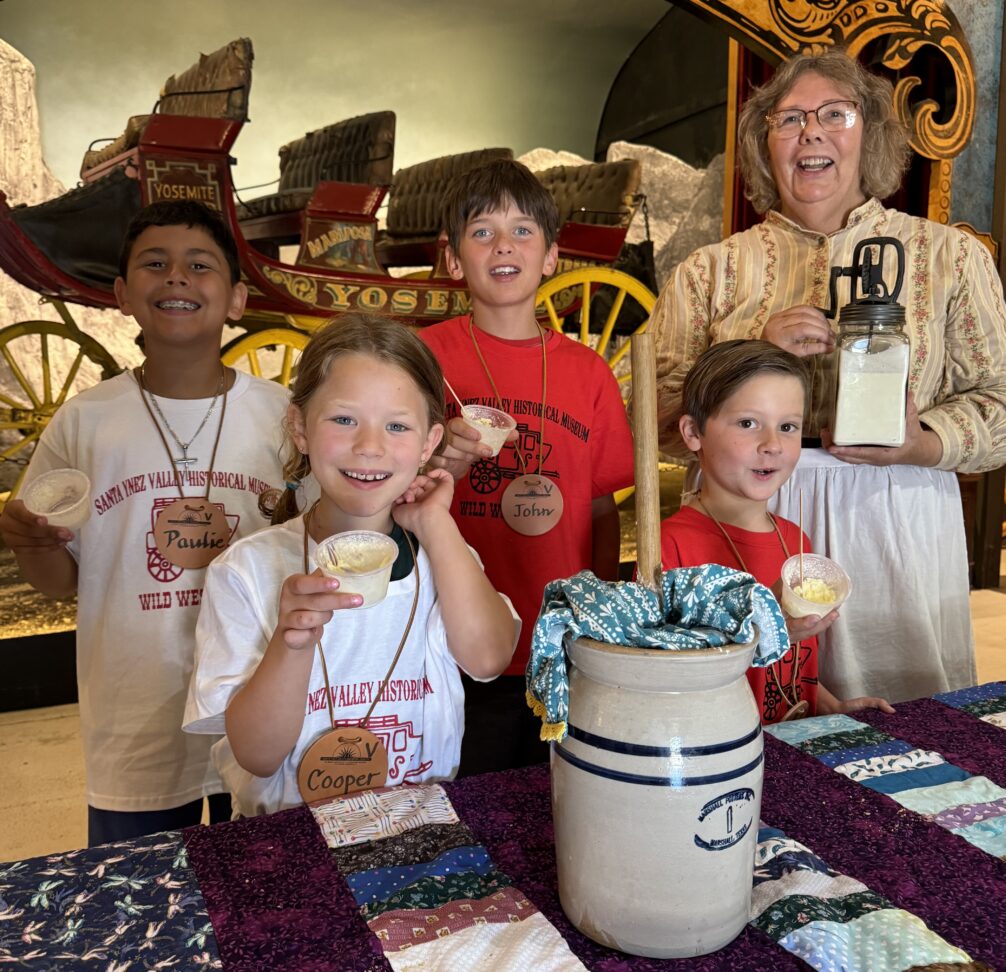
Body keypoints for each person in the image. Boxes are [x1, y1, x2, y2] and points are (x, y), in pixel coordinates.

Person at [649, 49, 1006, 704]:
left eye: (834, 115)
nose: (810, 132)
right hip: (747, 515)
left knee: (899, 718)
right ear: (765, 148)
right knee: (750, 703)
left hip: (896, 516)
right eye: (788, 119)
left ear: (870, 133)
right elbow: (648, 418)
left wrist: (923, 443)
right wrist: (747, 355)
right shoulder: (707, 272)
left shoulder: (950, 256)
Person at [0, 200, 290, 844]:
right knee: (144, 900)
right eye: (155, 264)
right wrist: (31, 540)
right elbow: (57, 582)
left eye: (200, 265)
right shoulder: (86, 422)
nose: (177, 278)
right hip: (136, 716)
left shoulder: (283, 416)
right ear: (123, 294)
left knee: (266, 893)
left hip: (256, 703)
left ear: (238, 298)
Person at [183, 314, 519, 817]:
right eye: (344, 419)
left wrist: (435, 523)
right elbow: (256, 755)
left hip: (420, 837)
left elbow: (489, 658)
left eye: (397, 426)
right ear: (299, 427)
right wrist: (290, 643)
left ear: (429, 445)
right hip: (292, 848)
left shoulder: (441, 557)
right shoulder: (245, 571)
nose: (370, 446)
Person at [420, 159, 634, 775]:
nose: (504, 245)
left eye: (522, 231)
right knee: (466, 799)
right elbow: (391, 486)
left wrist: (597, 618)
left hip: (559, 643)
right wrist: (441, 462)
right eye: (482, 232)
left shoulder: (587, 372)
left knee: (556, 801)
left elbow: (599, 506)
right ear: (454, 260)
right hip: (453, 640)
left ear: (551, 257)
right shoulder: (426, 358)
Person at [660, 340, 894, 722]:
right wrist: (764, 630)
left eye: (788, 427)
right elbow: (670, 674)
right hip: (724, 752)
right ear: (693, 432)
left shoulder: (794, 539)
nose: (772, 445)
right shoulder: (670, 547)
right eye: (748, 423)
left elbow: (795, 662)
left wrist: (830, 705)